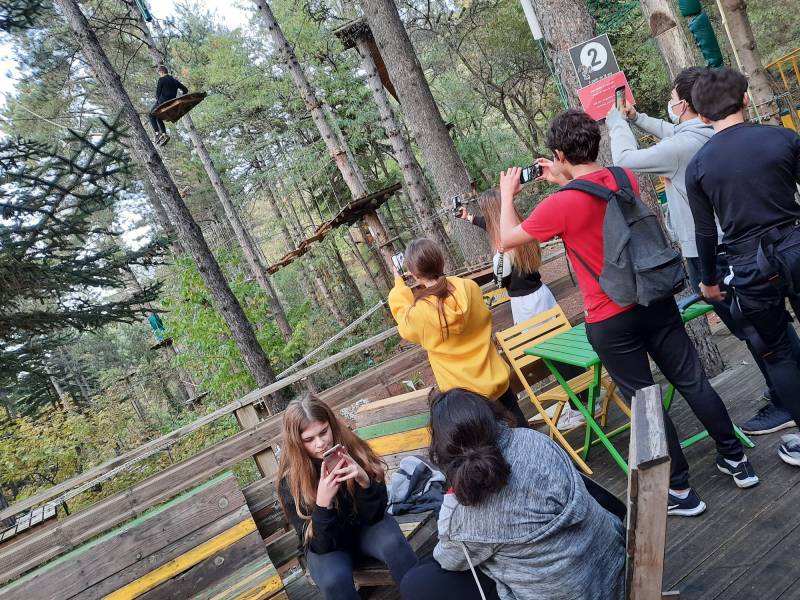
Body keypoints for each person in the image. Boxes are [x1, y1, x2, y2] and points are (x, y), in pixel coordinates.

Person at [498, 108, 758, 517]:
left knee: (645, 401)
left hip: (610, 317)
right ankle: (736, 460)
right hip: (654, 299)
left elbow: (507, 240)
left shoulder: (559, 206)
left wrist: (506, 195)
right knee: (691, 381)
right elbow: (593, 193)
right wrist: (564, 174)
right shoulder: (623, 178)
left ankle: (681, 490)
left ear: (559, 152)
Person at [607, 66, 798, 436]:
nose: (672, 109)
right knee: (778, 338)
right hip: (788, 243)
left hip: (733, 258)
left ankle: (784, 401)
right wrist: (640, 118)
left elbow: (629, 163)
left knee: (766, 340)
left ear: (696, 109)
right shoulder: (765, 136)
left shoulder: (694, 157)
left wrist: (617, 122)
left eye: (676, 102)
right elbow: (677, 133)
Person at [399, 389, 625, 600]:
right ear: (490, 415)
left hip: (573, 592)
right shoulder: (532, 439)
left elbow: (448, 559)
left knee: (417, 581)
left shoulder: (469, 517)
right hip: (612, 562)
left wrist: (452, 497)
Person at [686, 67, 800, 468]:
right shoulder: (782, 137)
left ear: (702, 116)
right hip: (796, 243)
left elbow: (705, 233)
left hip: (750, 265)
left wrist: (709, 281)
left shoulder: (698, 166)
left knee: (778, 352)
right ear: (746, 100)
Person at [458, 189, 587, 430]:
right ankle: (586, 398)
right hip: (542, 294)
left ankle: (576, 408)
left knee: (551, 353)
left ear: (492, 215)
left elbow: (499, 281)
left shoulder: (503, 252)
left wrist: (496, 257)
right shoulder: (522, 229)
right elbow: (494, 225)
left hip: (526, 306)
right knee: (563, 346)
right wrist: (469, 218)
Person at [277, 395, 417, 599]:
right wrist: (323, 505)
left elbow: (376, 515)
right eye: (309, 439)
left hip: (365, 528)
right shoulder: (290, 482)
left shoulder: (351, 448)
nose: (321, 444)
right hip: (327, 547)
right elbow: (320, 546)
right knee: (334, 580)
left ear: (331, 425)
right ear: (296, 442)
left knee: (393, 545)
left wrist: (365, 483)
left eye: (323, 432)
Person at [388, 238, 528, 427]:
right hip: (498, 384)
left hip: (468, 401)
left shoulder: (421, 313)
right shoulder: (469, 288)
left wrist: (399, 285)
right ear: (441, 261)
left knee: (494, 453)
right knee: (523, 433)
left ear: (414, 274)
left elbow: (404, 320)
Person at [148, 65, 188, 146]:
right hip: (171, 103)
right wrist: (180, 98)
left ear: (161, 72)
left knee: (151, 115)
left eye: (159, 73)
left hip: (162, 102)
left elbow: (158, 94)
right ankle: (164, 134)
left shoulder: (161, 79)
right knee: (158, 117)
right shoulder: (175, 81)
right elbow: (185, 90)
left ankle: (157, 134)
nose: (159, 75)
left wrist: (159, 102)